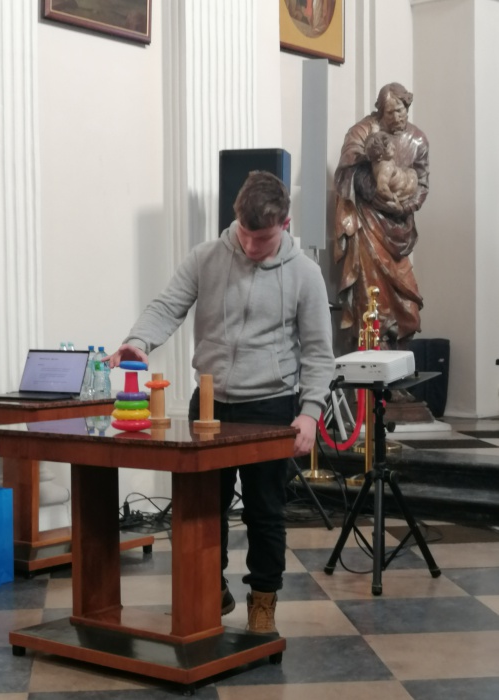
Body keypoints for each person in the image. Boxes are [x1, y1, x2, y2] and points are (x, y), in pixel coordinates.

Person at [106, 170, 335, 634]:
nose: (251, 246)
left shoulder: (305, 274)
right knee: (203, 508)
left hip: (270, 407)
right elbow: (167, 305)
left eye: (263, 238)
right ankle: (211, 590)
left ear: (286, 224)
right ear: (236, 219)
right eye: (245, 234)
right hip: (209, 406)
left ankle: (263, 602)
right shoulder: (206, 257)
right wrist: (138, 341)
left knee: (264, 512)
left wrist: (310, 413)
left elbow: (318, 353)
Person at [334, 82, 429, 347]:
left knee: (408, 305)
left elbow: (423, 184)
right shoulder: (363, 132)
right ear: (380, 113)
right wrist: (377, 195)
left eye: (401, 110)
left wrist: (405, 207)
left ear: (407, 106)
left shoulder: (418, 140)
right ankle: (371, 359)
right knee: (370, 296)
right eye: (390, 113)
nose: (397, 117)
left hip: (399, 226)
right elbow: (347, 173)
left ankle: (398, 358)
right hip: (368, 226)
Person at [364, 131, 418, 213]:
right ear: (380, 156)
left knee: (408, 170)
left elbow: (373, 142)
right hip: (403, 189)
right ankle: (404, 195)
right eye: (390, 148)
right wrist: (393, 198)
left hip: (398, 181)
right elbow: (382, 188)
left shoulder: (377, 162)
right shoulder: (386, 167)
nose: (394, 147)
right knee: (412, 174)